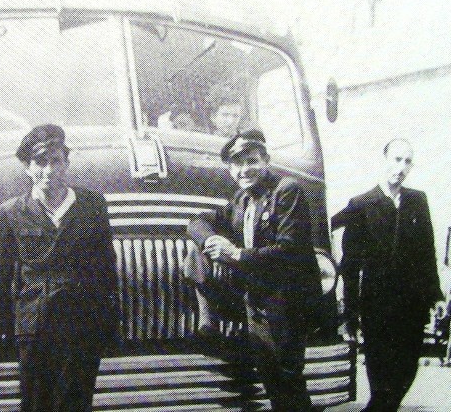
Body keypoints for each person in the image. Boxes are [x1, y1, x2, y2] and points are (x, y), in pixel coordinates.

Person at [0, 124, 118, 412]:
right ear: (27, 168)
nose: (49, 170)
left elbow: (106, 268)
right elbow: (0, 275)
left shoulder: (92, 206)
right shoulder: (11, 212)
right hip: (34, 325)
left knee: (76, 403)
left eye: (56, 161)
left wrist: (109, 324)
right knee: (36, 403)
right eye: (40, 162)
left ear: (67, 164)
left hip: (81, 323)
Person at [187, 129, 322, 411]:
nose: (244, 169)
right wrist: (210, 240)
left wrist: (236, 254)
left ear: (266, 160)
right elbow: (197, 221)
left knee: (286, 379)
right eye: (237, 163)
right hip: (257, 302)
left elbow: (290, 250)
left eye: (251, 161)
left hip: (286, 301)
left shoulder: (287, 190)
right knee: (274, 380)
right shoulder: (242, 199)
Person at [331, 138, 443, 412]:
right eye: (396, 159)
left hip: (413, 305)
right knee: (382, 379)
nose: (401, 167)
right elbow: (349, 264)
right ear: (384, 161)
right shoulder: (361, 204)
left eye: (407, 161)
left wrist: (435, 296)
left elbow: (427, 252)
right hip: (377, 305)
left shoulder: (418, 200)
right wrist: (351, 311)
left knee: (405, 372)